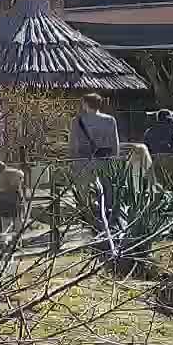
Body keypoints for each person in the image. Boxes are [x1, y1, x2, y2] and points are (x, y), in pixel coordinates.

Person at [70, 93, 125, 243]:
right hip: (104, 161)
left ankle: (86, 223)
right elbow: (115, 144)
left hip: (84, 161)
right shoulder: (109, 120)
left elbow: (73, 144)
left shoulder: (77, 121)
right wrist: (114, 159)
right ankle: (108, 222)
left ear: (85, 104)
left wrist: (74, 161)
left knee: (84, 192)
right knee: (107, 190)